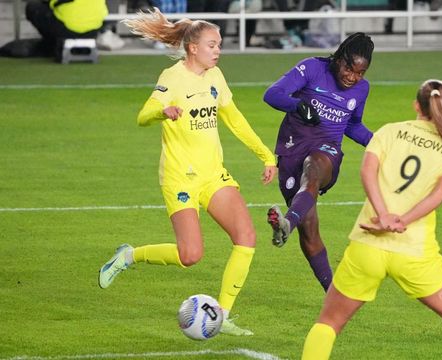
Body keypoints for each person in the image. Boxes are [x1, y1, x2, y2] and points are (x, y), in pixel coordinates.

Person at [97, 8, 277, 337]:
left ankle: (222, 315)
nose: (218, 50)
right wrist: (162, 112)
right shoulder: (172, 77)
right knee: (190, 255)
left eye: (220, 44)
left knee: (246, 238)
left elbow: (235, 119)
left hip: (213, 174)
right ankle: (129, 255)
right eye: (212, 45)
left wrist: (266, 156)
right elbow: (143, 115)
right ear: (193, 48)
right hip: (180, 176)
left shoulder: (215, 77)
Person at [301, 79, 442, 360]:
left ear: (415, 106)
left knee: (327, 324)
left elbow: (367, 172)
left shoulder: (389, 131)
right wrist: (402, 220)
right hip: (415, 253)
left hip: (368, 244)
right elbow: (438, 195)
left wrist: (382, 214)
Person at [264, 32, 375, 292]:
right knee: (310, 233)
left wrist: (380, 143)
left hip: (327, 149)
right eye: (349, 68)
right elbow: (272, 94)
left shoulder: (362, 89)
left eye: (360, 72)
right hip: (292, 148)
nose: (352, 77)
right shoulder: (312, 68)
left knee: (313, 171)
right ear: (338, 59)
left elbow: (353, 125)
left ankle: (286, 223)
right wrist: (297, 106)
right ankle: (333, 293)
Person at [24, 0, 108, 60]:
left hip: (67, 29)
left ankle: (53, 45)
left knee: (33, 7)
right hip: (94, 29)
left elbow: (53, 3)